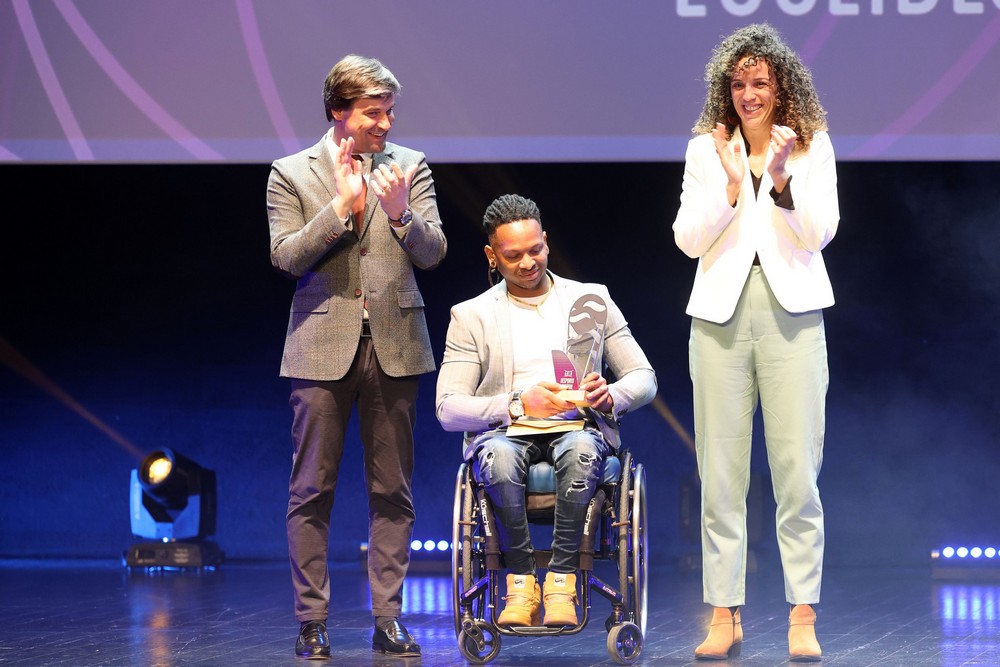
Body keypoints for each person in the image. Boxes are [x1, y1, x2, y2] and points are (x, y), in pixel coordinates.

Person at [266, 54, 447, 660]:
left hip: (396, 344)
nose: (386, 124)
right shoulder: (291, 172)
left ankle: (388, 617)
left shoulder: (409, 166)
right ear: (337, 112)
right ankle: (311, 619)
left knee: (392, 489)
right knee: (311, 489)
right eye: (373, 112)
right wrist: (340, 208)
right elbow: (286, 257)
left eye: (389, 111)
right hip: (320, 345)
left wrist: (400, 214)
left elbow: (433, 252)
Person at [672, 23, 839, 662]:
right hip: (719, 317)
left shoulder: (811, 146)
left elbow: (820, 232)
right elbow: (688, 239)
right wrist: (731, 187)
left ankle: (802, 613)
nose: (748, 94)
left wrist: (782, 179)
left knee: (797, 472)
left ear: (781, 87)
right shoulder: (705, 150)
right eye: (738, 83)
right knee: (720, 474)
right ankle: (724, 612)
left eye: (760, 82)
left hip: (792, 313)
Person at [436, 194, 656, 627]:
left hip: (576, 429)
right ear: (492, 255)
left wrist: (610, 395)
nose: (527, 263)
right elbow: (447, 408)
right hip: (506, 433)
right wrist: (518, 404)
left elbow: (643, 376)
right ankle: (520, 580)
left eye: (535, 250)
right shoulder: (472, 315)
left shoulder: (590, 300)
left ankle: (561, 581)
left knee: (581, 450)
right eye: (512, 255)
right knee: (499, 458)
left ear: (546, 242)